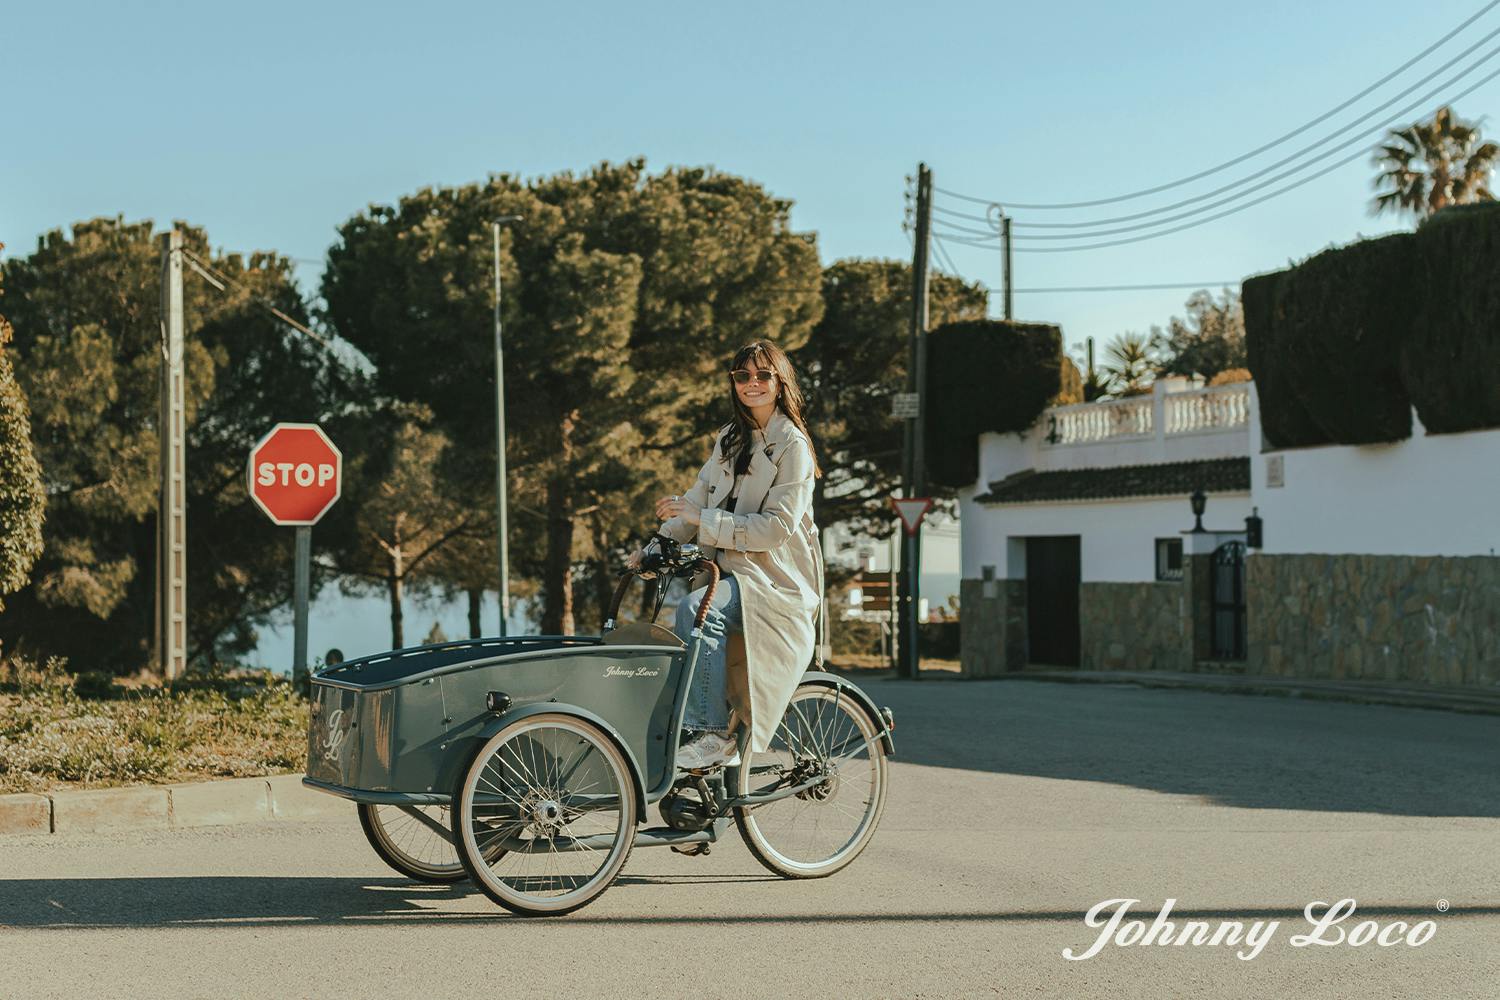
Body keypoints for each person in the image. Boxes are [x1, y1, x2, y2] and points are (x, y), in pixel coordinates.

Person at [628, 340, 825, 771]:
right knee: (680, 626)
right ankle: (695, 756)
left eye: (762, 376)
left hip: (774, 583)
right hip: (732, 576)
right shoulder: (729, 439)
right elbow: (696, 500)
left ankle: (712, 733)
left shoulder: (793, 446)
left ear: (780, 382)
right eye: (742, 376)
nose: (751, 384)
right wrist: (654, 548)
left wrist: (703, 518)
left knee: (697, 609)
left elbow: (775, 527)